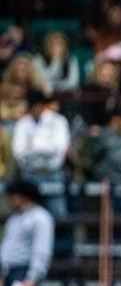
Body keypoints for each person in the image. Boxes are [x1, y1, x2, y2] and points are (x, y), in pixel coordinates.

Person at [11, 88, 70, 218]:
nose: (37, 107)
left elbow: (60, 150)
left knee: (58, 215)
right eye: (33, 104)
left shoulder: (58, 121)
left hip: (53, 173)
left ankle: (61, 238)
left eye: (39, 104)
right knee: (27, 215)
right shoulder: (23, 123)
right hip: (30, 174)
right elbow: (18, 153)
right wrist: (45, 150)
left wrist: (33, 149)